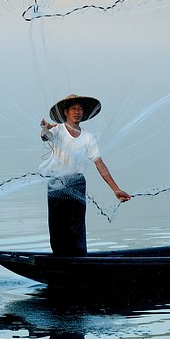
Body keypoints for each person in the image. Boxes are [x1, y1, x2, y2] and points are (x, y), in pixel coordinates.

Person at [39, 93, 131, 256]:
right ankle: (60, 258)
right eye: (74, 108)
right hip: (57, 183)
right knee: (58, 225)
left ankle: (79, 257)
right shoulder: (58, 130)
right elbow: (46, 137)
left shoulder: (88, 137)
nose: (77, 111)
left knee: (77, 225)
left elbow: (99, 163)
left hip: (77, 183)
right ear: (66, 112)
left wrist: (115, 189)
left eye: (80, 109)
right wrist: (45, 127)